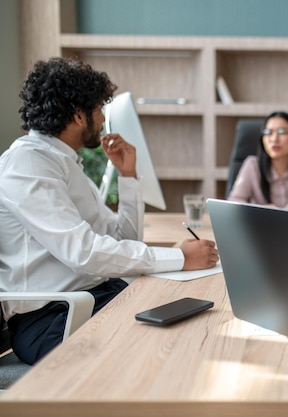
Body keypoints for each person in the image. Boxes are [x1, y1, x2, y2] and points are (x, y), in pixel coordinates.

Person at [0, 57, 219, 365]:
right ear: (78, 115)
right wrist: (180, 258)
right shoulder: (28, 164)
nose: (103, 119)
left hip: (94, 297)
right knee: (179, 343)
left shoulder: (65, 162)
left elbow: (124, 238)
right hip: (52, 320)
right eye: (99, 109)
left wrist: (127, 176)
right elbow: (83, 252)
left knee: (197, 310)